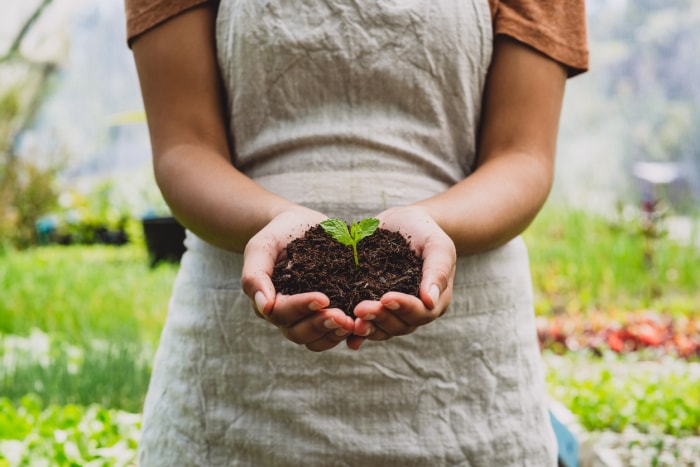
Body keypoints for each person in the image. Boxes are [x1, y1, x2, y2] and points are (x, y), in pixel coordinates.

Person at [126, 0, 588, 465]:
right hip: (237, 374)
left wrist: (434, 225)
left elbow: (522, 156)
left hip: (466, 379)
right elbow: (184, 147)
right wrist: (273, 222)